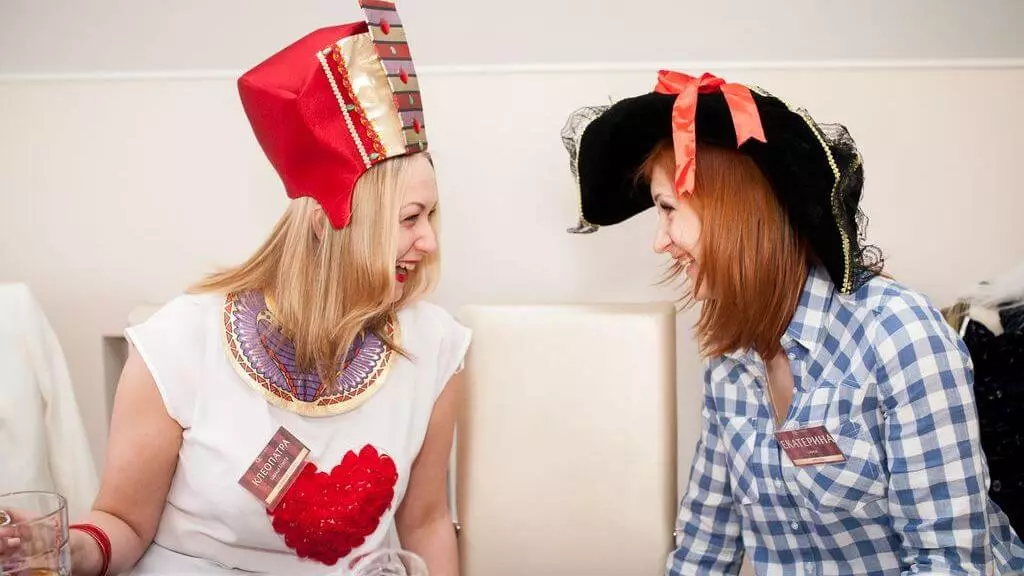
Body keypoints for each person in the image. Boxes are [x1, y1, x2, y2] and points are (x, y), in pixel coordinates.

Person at [1, 2, 470, 574]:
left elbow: (425, 521)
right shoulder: (178, 340)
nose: (429, 241)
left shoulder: (435, 348)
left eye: (431, 217)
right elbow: (122, 522)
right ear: (331, 221)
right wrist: (59, 548)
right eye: (410, 218)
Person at [561, 70, 1024, 574]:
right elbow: (704, 548)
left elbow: (949, 562)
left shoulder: (900, 336)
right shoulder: (728, 365)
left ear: (734, 209)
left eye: (667, 209)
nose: (660, 241)